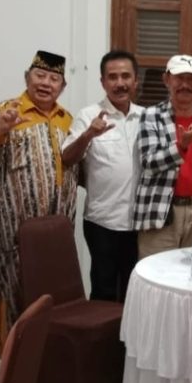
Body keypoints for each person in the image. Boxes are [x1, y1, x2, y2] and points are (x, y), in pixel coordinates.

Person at [0, 50, 78, 333]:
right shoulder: (4, 111)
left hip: (55, 230)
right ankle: (12, 358)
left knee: (52, 293)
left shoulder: (68, 119)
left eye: (54, 79)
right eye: (40, 75)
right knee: (13, 292)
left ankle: (47, 353)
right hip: (12, 229)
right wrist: (0, 131)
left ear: (62, 87)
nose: (46, 83)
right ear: (26, 78)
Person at [61, 50, 143, 302]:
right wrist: (88, 135)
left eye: (126, 76)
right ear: (103, 82)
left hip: (139, 223)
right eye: (113, 77)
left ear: (136, 80)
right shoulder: (88, 115)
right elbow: (66, 158)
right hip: (102, 222)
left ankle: (129, 331)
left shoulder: (147, 117)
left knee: (134, 292)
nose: (120, 83)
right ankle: (103, 331)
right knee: (103, 291)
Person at [134, 54, 192, 258]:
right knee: (156, 272)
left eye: (191, 79)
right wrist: (181, 146)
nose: (185, 85)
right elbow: (149, 162)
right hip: (160, 211)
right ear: (167, 79)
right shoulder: (151, 116)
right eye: (179, 78)